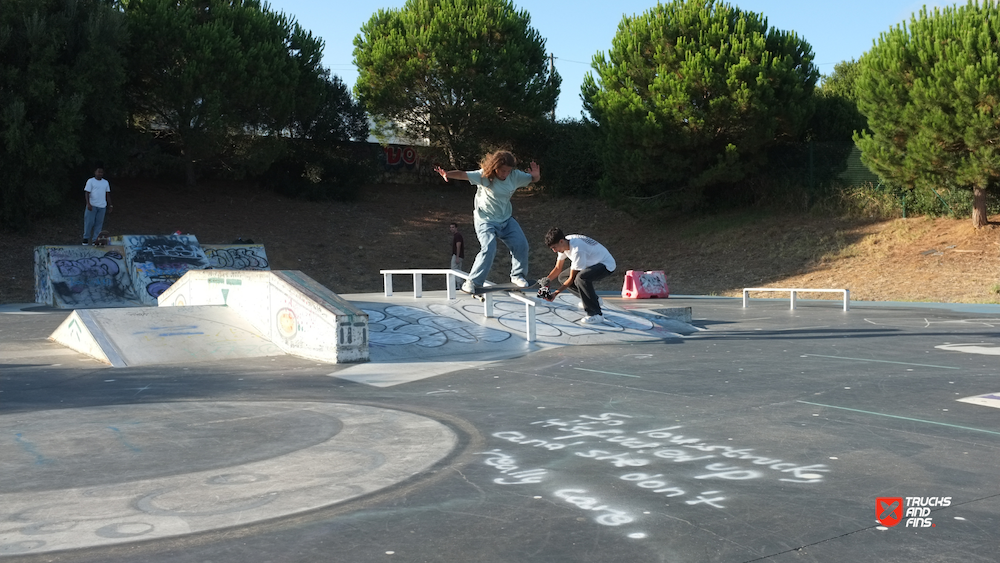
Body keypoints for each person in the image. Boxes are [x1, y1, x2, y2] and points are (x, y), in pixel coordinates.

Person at [434, 151, 539, 293]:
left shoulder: (515, 176)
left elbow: (533, 179)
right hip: (485, 220)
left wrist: (536, 175)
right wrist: (448, 174)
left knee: (522, 245)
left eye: (508, 171)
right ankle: (472, 282)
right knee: (489, 248)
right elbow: (464, 174)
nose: (505, 174)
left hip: (506, 220)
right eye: (502, 171)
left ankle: (517, 276)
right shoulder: (484, 176)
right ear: (495, 167)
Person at [541, 227, 616, 324]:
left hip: (605, 265)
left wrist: (555, 293)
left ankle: (596, 314)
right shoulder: (565, 242)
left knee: (581, 278)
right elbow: (558, 268)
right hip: (591, 262)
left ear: (561, 241)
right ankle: (595, 300)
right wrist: (546, 282)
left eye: (554, 247)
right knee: (563, 277)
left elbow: (572, 279)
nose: (554, 251)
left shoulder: (577, 250)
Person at [82, 166, 112, 245]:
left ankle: (95, 240)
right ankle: (86, 238)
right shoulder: (91, 181)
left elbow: (107, 194)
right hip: (92, 205)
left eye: (101, 172)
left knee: (99, 223)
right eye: (98, 172)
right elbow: (87, 193)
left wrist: (110, 205)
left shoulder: (105, 182)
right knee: (89, 222)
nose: (100, 174)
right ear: (95, 172)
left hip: (102, 206)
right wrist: (88, 203)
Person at [449, 222, 465, 289]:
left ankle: (459, 284)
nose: (451, 229)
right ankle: (459, 285)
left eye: (453, 227)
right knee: (459, 270)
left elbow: (458, 246)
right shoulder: (456, 235)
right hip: (459, 255)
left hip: (457, 255)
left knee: (454, 270)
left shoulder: (458, 235)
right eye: (450, 227)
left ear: (456, 228)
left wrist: (457, 257)